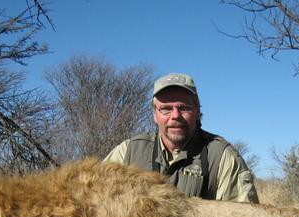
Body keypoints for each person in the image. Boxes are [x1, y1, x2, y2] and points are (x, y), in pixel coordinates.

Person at [103, 73, 258, 203]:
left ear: (197, 112)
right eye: (166, 109)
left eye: (184, 108)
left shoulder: (222, 156)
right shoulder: (128, 151)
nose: (175, 116)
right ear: (154, 115)